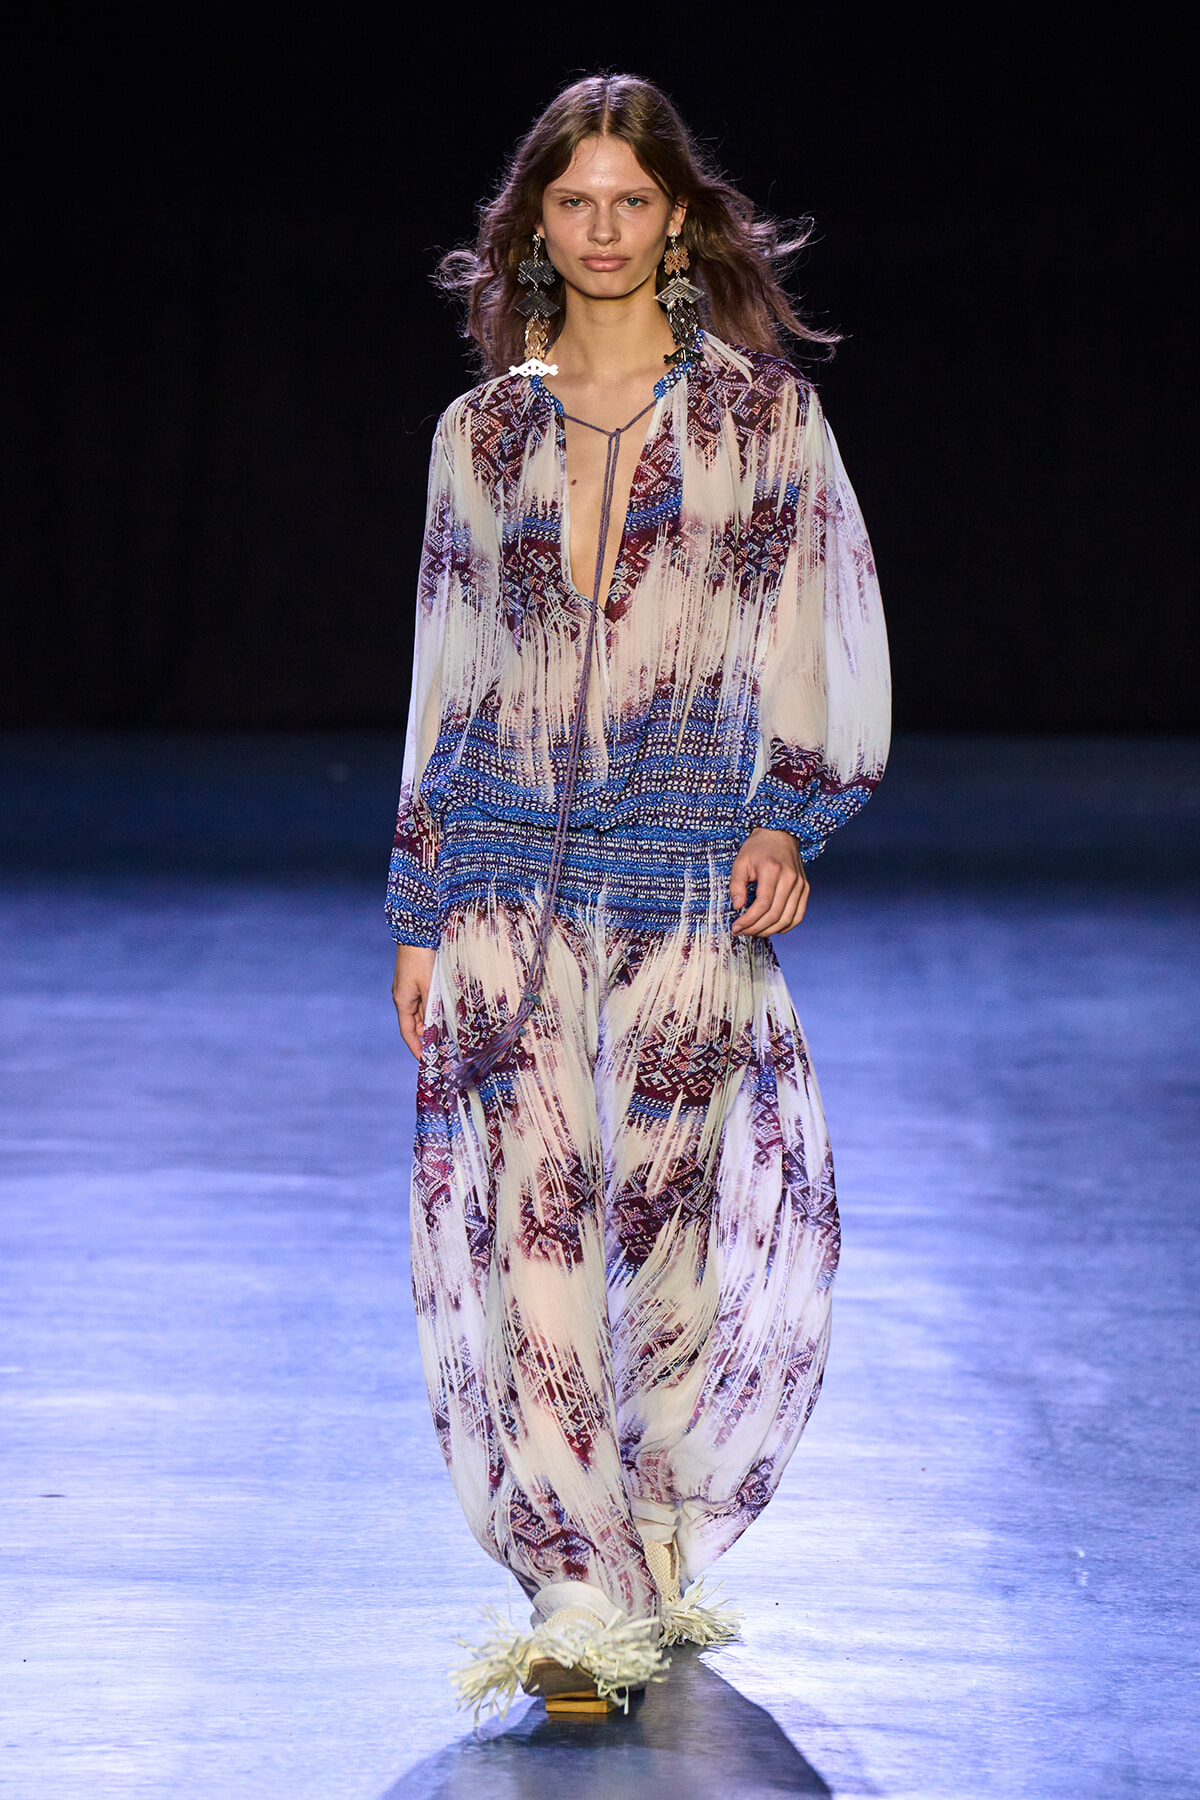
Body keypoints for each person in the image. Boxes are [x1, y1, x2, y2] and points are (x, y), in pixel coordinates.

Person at [387, 72, 890, 1717]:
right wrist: (413, 904)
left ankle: (655, 1544)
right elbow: (445, 674)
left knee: (663, 1228)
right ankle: (575, 1594)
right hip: (502, 875)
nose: (601, 229)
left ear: (676, 218)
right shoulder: (481, 437)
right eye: (572, 201)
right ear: (534, 225)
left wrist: (786, 818)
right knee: (529, 1221)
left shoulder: (763, 423)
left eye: (629, 200)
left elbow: (818, 626)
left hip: (684, 873)